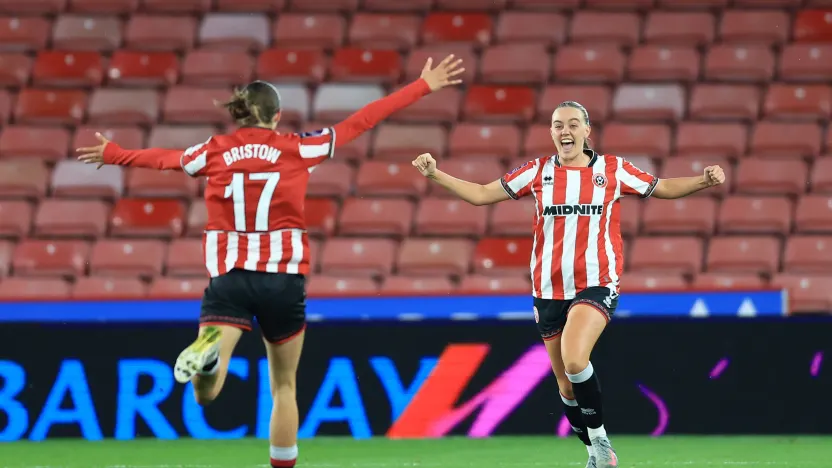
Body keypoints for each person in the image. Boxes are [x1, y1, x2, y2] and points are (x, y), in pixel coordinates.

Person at [75, 55, 464, 468]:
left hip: (230, 279)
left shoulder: (214, 150)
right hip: (283, 281)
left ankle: (209, 360)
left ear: (239, 115)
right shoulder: (298, 147)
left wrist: (115, 153)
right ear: (276, 116)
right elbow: (362, 121)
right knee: (283, 386)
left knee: (206, 395)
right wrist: (422, 86)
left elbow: (164, 159)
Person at [411, 101, 725, 468]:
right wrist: (435, 174)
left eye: (574, 124)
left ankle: (600, 440)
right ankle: (595, 454)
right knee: (565, 385)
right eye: (558, 125)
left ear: (587, 131)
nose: (565, 131)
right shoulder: (537, 171)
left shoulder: (612, 170)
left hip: (596, 283)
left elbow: (663, 187)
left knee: (576, 359)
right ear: (551, 132)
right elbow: (481, 195)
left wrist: (703, 181)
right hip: (547, 290)